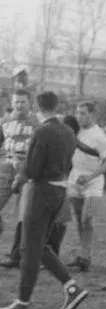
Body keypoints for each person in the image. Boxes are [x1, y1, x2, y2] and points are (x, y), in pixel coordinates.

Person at [0, 91, 90, 309]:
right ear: (56, 105)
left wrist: (18, 181)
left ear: (38, 107)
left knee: (28, 248)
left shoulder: (43, 131)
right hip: (60, 190)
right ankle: (71, 288)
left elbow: (33, 166)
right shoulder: (68, 131)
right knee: (38, 245)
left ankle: (22, 305)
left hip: (41, 190)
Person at [64, 101, 106, 273]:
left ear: (92, 115)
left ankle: (86, 256)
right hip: (75, 179)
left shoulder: (99, 136)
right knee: (78, 219)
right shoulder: (74, 130)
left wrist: (91, 176)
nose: (79, 116)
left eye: (83, 113)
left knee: (88, 219)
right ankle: (84, 255)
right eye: (78, 112)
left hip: (93, 181)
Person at [0, 89, 36, 269]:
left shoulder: (37, 123)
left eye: (23, 102)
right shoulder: (4, 122)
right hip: (6, 168)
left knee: (24, 215)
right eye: (16, 102)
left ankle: (16, 255)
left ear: (30, 103)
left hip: (27, 172)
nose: (19, 105)